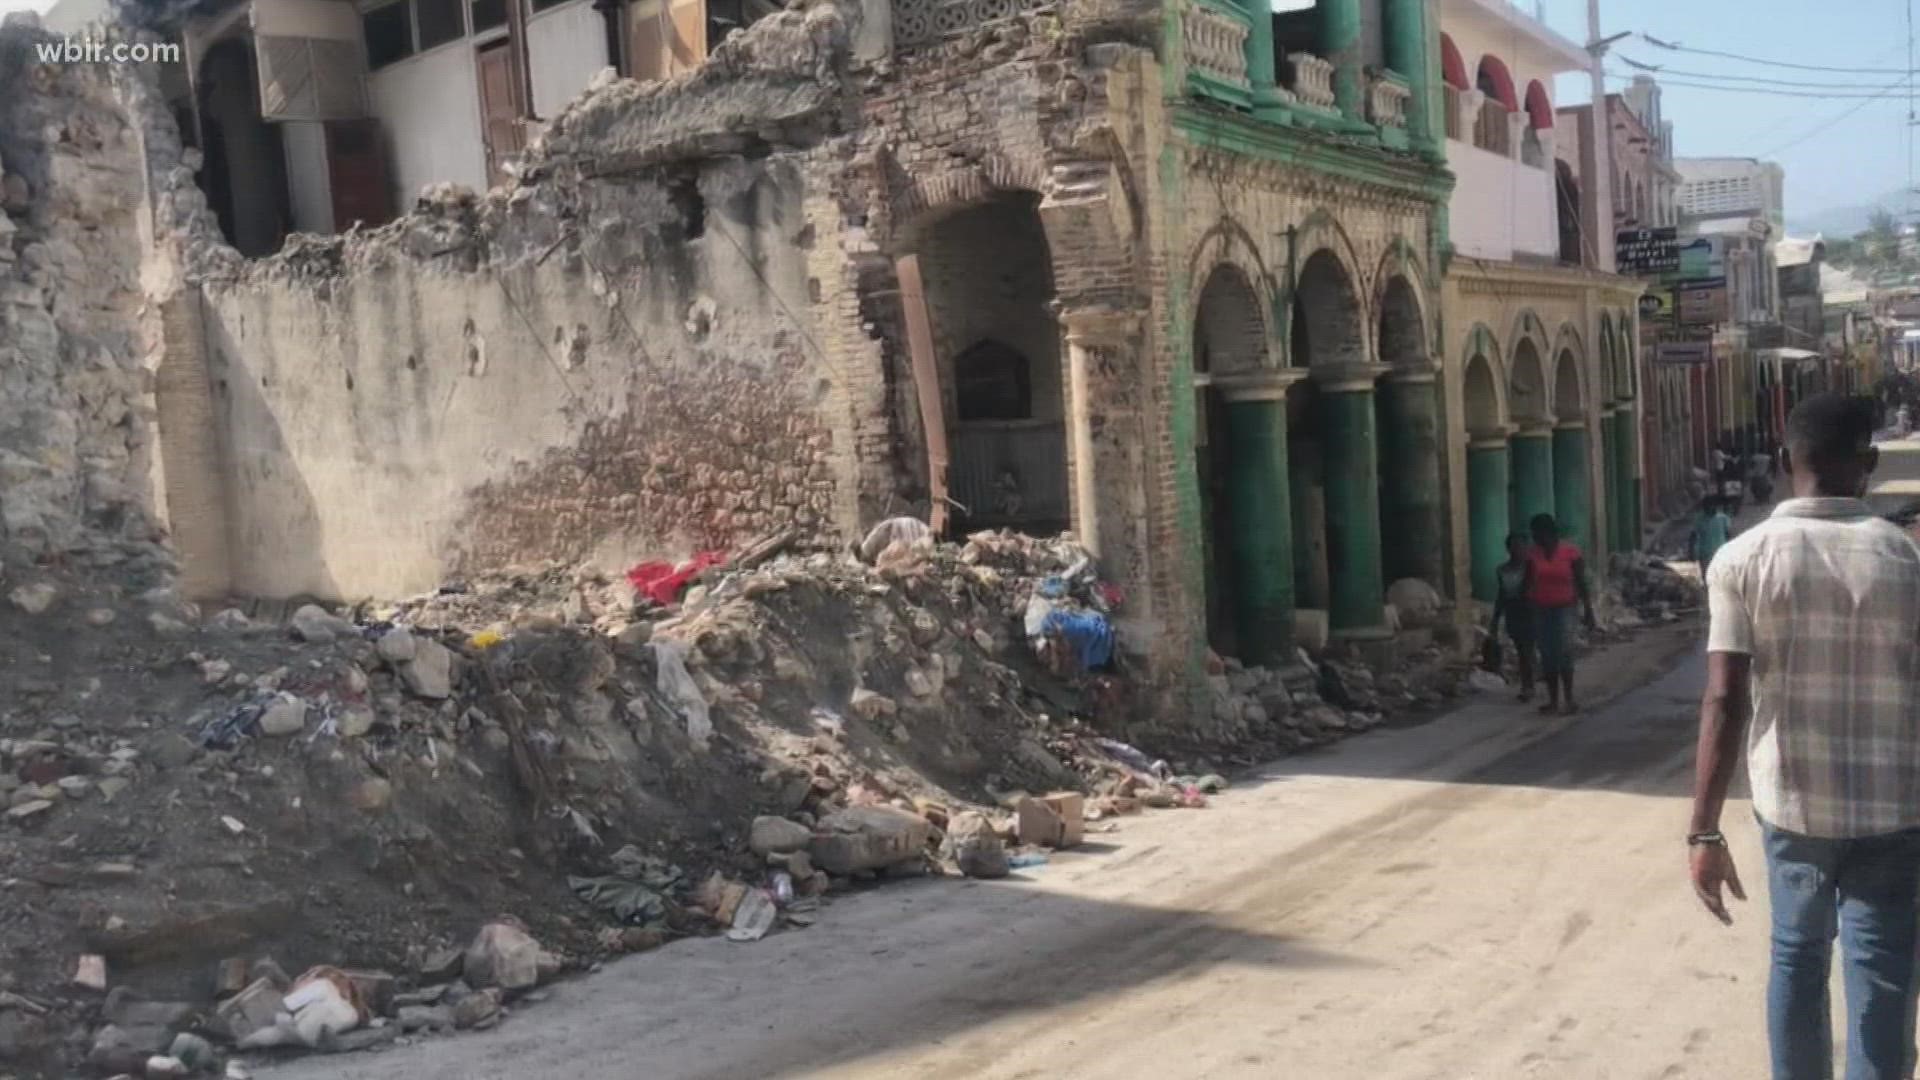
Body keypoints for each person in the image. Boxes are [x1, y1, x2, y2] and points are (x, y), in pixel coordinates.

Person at [1687, 393, 1920, 1080]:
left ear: (1786, 462)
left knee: (1797, 956)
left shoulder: (1740, 559)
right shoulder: (1907, 562)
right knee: (1881, 976)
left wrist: (1703, 831)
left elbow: (1725, 699)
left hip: (1793, 808)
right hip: (1896, 811)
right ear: (1870, 465)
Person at [1524, 513, 1596, 716]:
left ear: (1546, 532)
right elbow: (1528, 584)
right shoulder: (1533, 555)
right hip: (1541, 609)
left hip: (1565, 607)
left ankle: (1569, 698)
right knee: (1548, 655)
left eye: (1536, 533)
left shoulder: (1570, 552)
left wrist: (1588, 610)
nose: (1535, 537)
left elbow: (1581, 582)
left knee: (1564, 652)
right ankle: (1553, 700)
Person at [1488, 534, 1537, 703]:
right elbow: (1501, 595)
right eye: (1514, 547)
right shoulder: (1502, 570)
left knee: (1526, 650)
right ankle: (1529, 683)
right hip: (1513, 612)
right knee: (1523, 650)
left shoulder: (1531, 567)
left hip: (1531, 611)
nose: (1518, 551)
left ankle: (1528, 685)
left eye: (1521, 547)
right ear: (1509, 549)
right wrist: (1495, 619)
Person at [1691, 496, 1732, 570]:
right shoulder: (1699, 519)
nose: (1710, 508)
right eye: (1708, 506)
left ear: (1716, 506)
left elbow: (1728, 534)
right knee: (1707, 575)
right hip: (1705, 554)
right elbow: (1693, 536)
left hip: (1721, 552)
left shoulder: (1723, 518)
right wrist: (1691, 552)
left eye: (1713, 505)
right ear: (1704, 507)